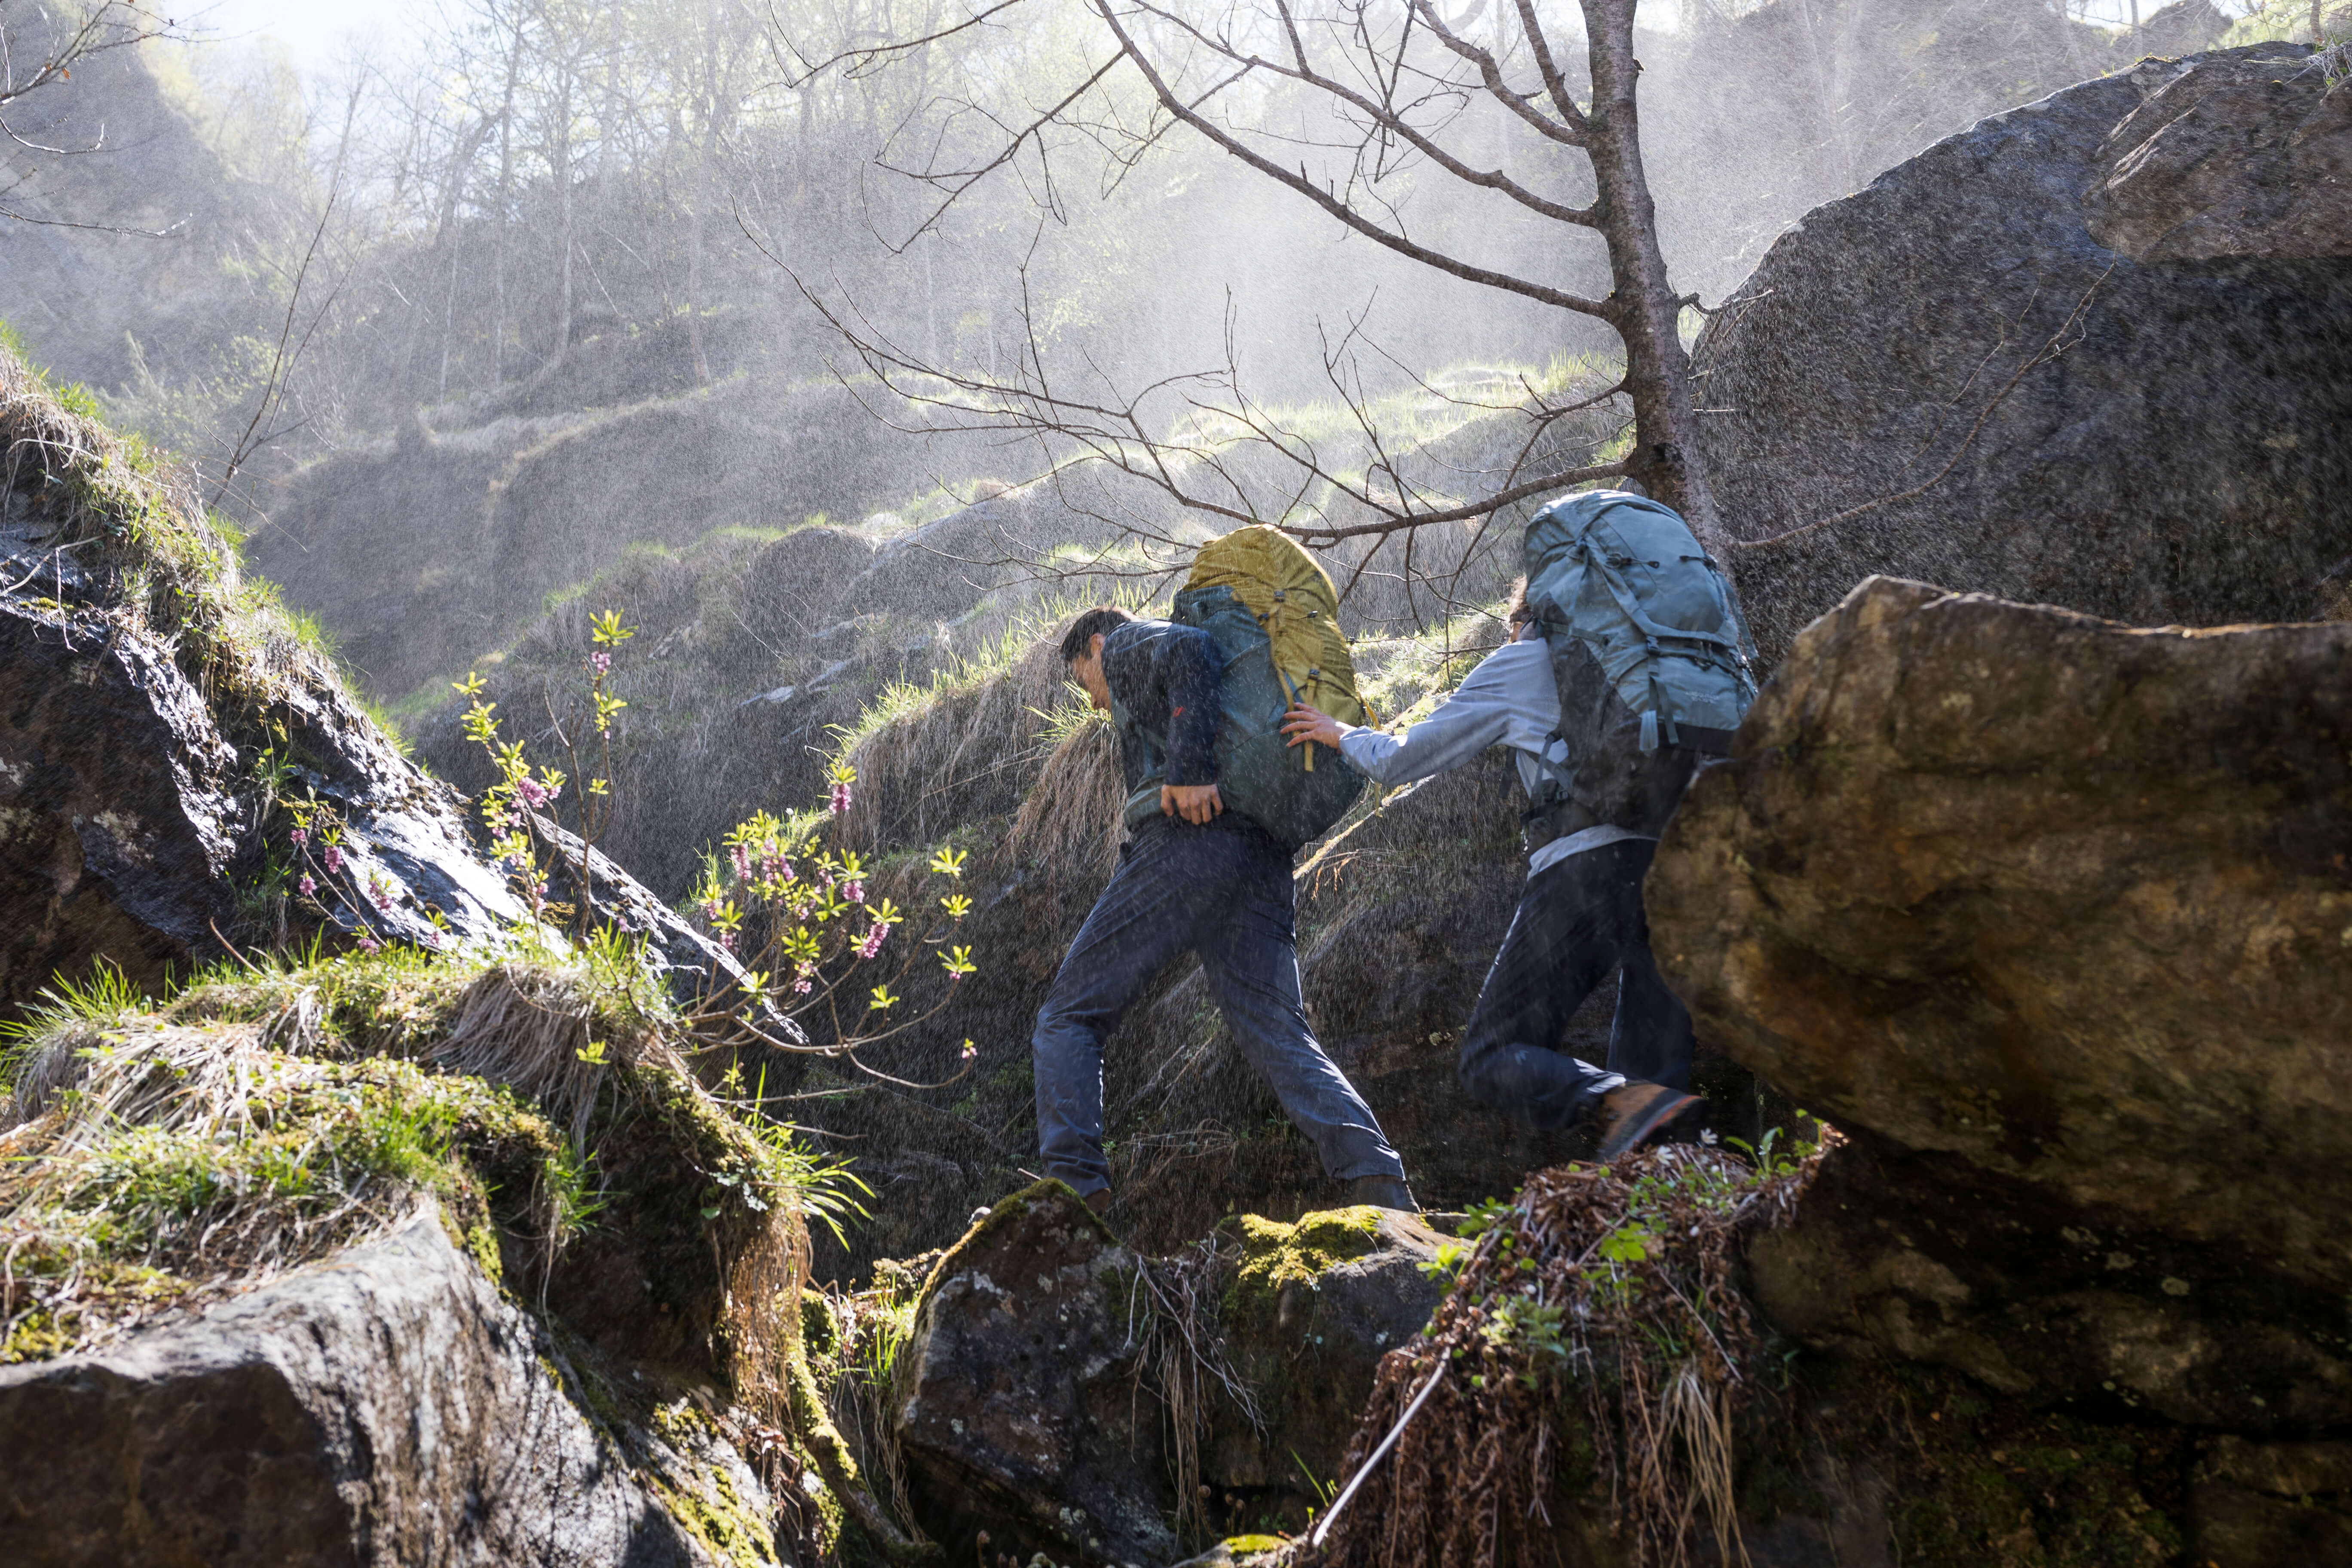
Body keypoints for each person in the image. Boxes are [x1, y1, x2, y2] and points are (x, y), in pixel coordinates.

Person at [1280, 580, 1709, 1159]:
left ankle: (1618, 1105)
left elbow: (1408, 756)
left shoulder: (1525, 661)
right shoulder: (1651, 665)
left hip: (1584, 868)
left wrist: (1344, 734)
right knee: (1656, 1086)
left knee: (1492, 1054)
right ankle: (1671, 1196)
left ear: (1522, 617)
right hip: (1676, 868)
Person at [1032, 606, 1417, 1216]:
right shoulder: (1175, 678)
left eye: (1086, 683)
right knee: (1276, 1029)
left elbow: (1189, 652)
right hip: (1259, 857)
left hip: (1190, 843)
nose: (1096, 705)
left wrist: (1189, 771)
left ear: (1097, 645)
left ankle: (1076, 1197)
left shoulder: (1128, 644)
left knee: (1068, 1016)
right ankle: (1376, 1176)